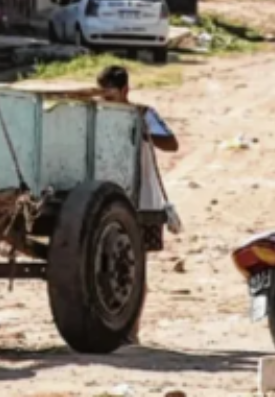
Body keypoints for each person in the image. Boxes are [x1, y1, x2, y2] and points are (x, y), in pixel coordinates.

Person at [96, 64, 183, 345]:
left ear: (125, 91)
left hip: (143, 201)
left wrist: (145, 132)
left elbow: (171, 144)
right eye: (103, 97)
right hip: (105, 199)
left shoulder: (144, 114)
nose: (107, 103)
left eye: (111, 97)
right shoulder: (96, 115)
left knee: (134, 266)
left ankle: (131, 329)